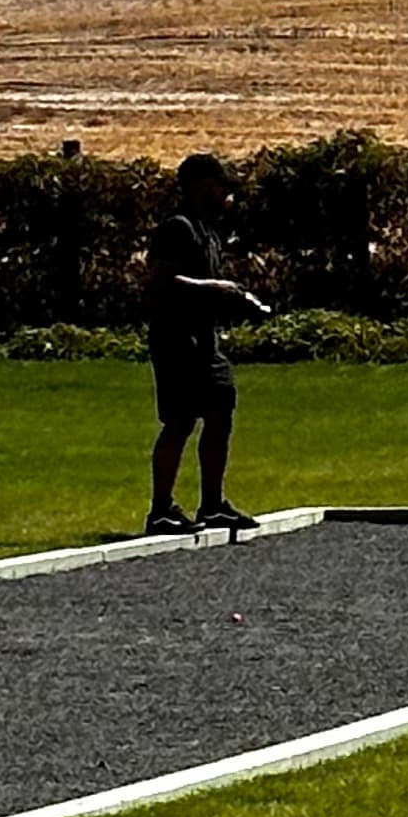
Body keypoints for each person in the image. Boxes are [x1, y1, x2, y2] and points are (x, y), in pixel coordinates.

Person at [142, 152, 268, 535]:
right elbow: (161, 280)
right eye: (219, 186)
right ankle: (161, 509)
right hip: (176, 338)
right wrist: (218, 289)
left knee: (220, 410)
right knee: (180, 420)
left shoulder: (208, 230)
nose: (225, 194)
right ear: (200, 186)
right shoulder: (177, 228)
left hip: (206, 340)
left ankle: (212, 503)